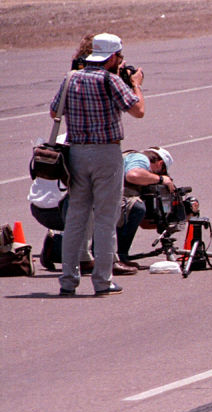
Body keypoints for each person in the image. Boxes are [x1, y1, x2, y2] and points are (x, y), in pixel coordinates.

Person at [50, 32, 145, 296]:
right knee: (105, 218)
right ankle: (102, 281)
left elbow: (54, 111)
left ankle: (68, 281)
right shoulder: (110, 80)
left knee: (76, 218)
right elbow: (138, 110)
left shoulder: (71, 78)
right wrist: (136, 84)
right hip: (106, 153)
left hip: (77, 153)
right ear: (112, 56)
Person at [117, 147, 175, 266]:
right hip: (107, 200)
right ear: (160, 164)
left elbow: (144, 223)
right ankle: (120, 256)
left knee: (136, 208)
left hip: (100, 198)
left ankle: (116, 255)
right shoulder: (141, 158)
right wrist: (160, 179)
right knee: (136, 207)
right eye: (160, 172)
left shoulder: (130, 158)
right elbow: (132, 175)